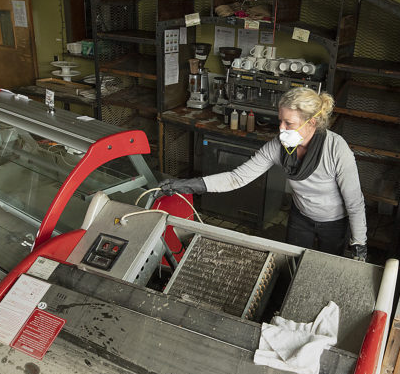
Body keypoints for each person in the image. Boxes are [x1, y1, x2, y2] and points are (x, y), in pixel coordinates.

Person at [158, 88, 368, 260]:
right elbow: (237, 177)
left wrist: (359, 243)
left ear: (311, 122)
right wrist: (189, 184)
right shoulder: (278, 147)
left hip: (334, 222)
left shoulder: (336, 149)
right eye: (280, 121)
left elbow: (354, 201)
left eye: (289, 123)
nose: (281, 129)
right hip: (300, 217)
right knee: (294, 262)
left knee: (326, 266)